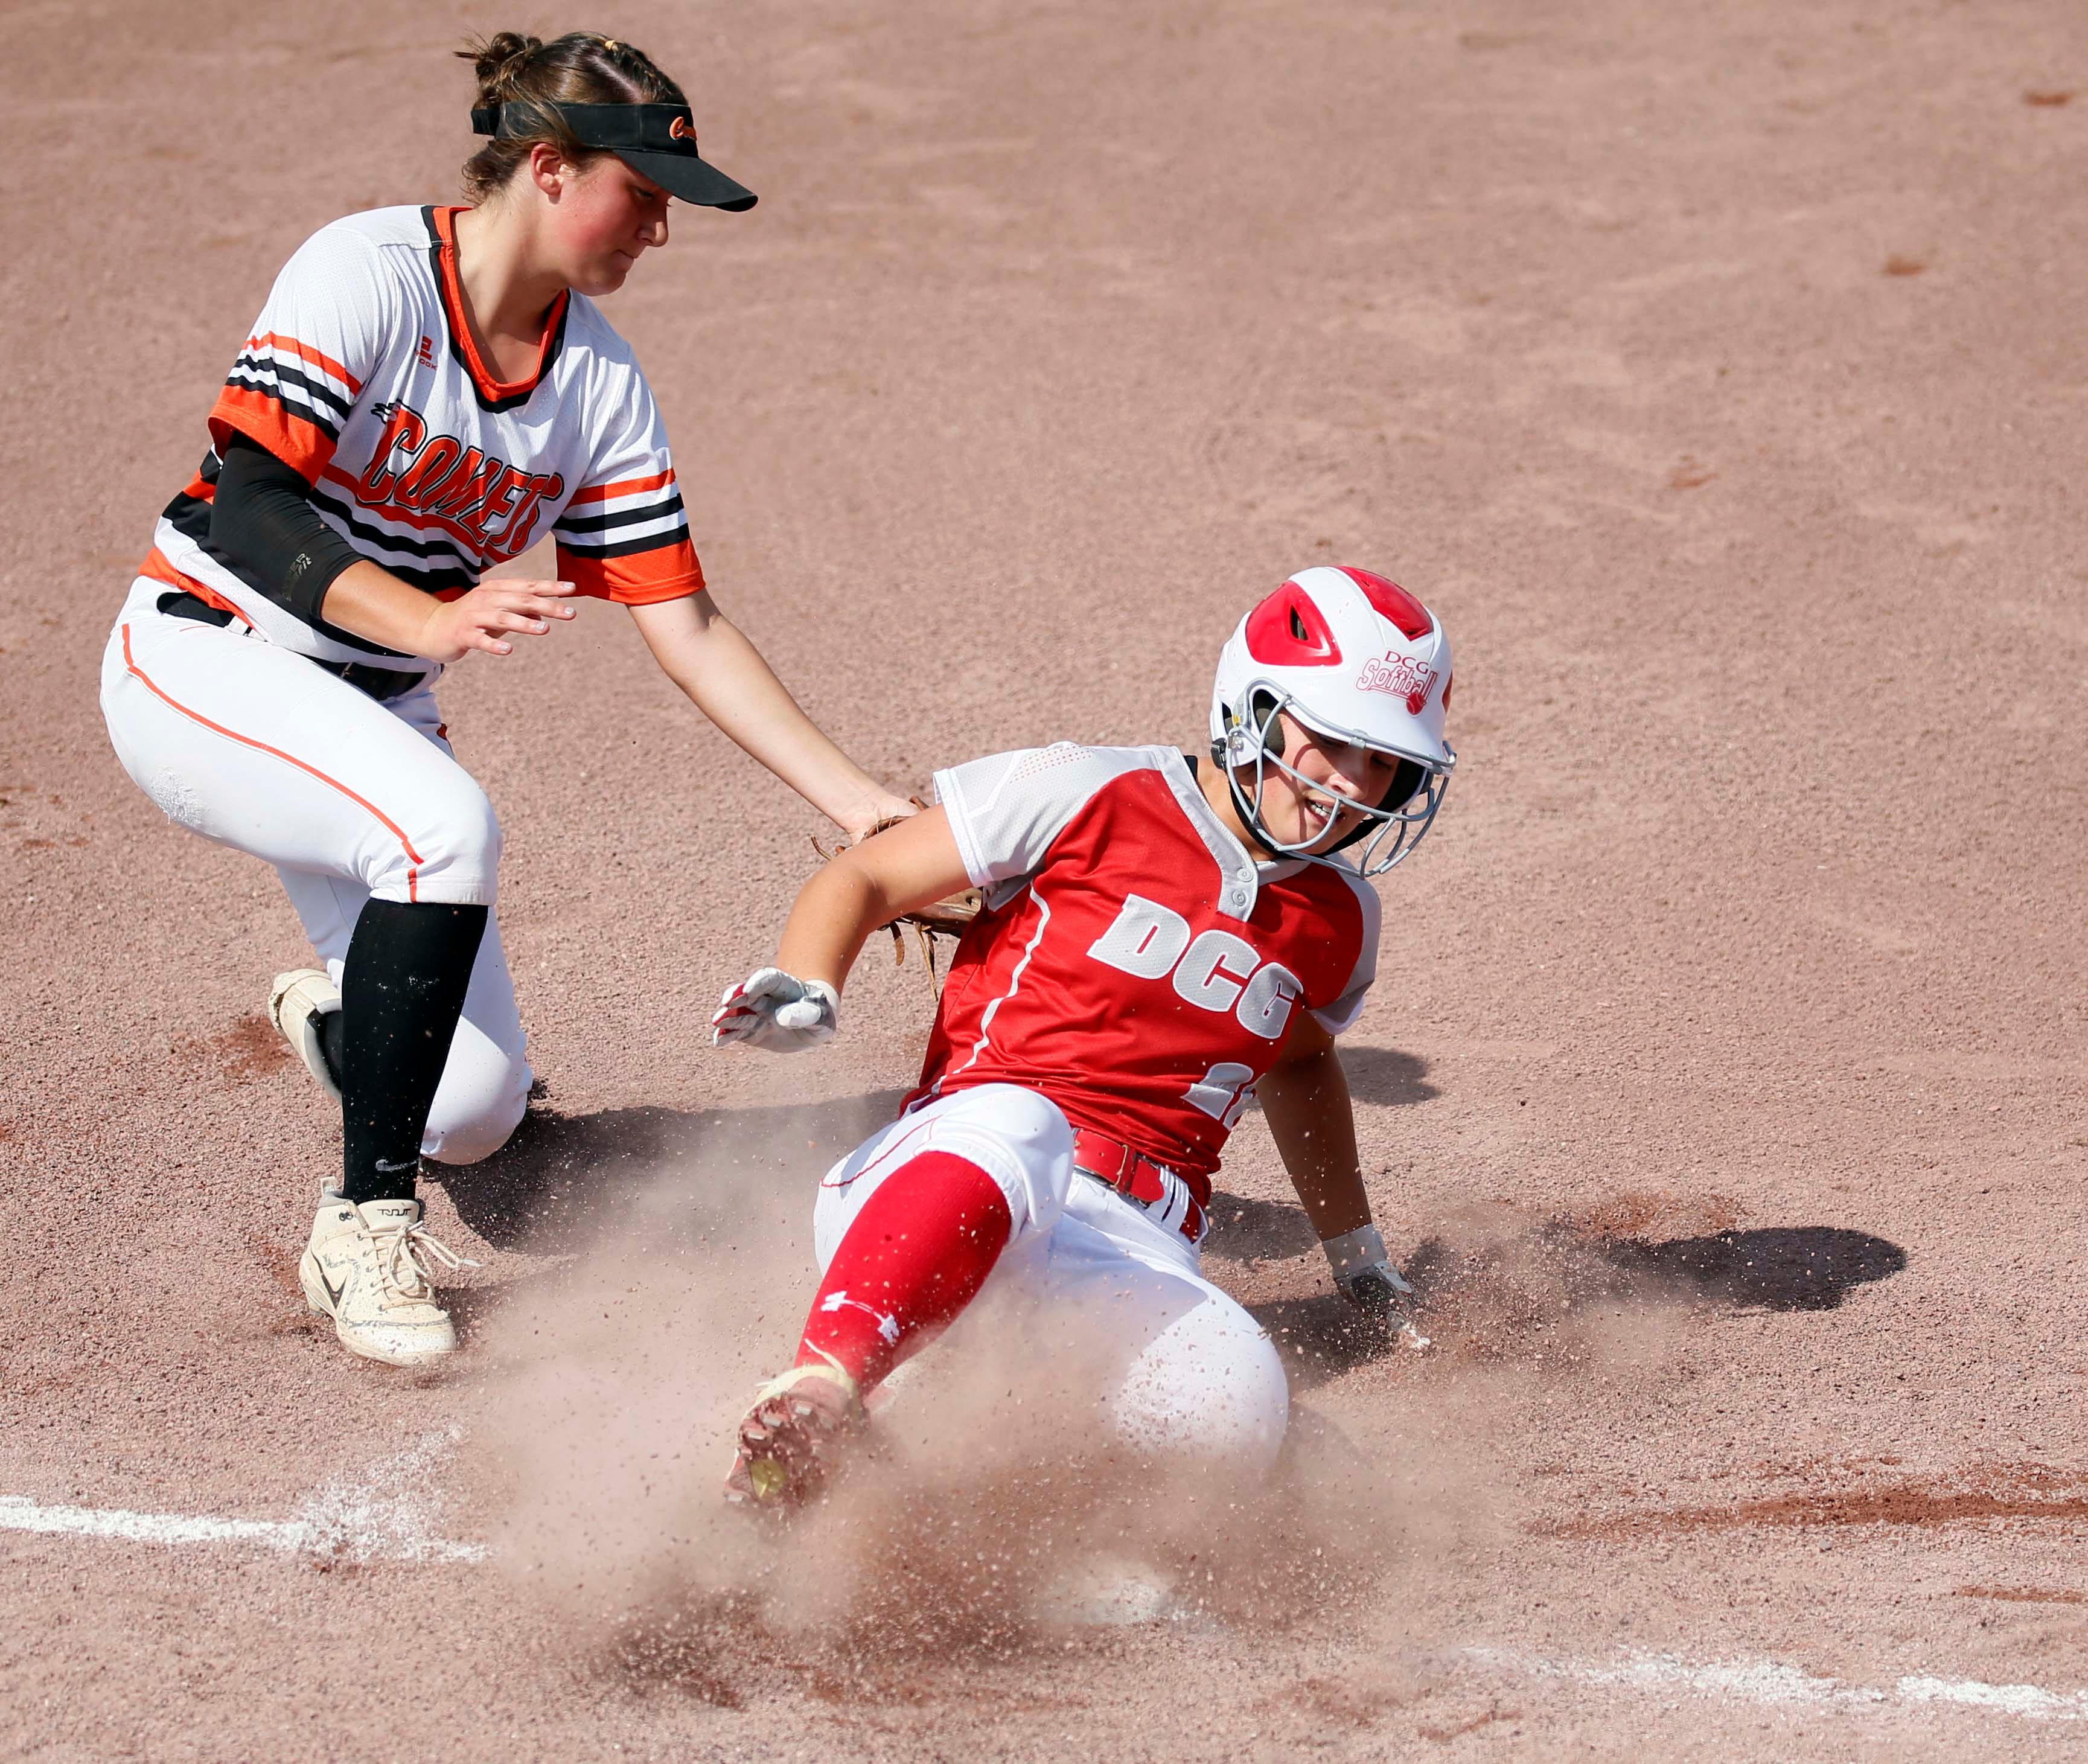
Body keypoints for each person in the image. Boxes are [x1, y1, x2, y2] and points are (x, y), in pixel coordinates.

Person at [98, 31, 915, 1369]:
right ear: (547, 167)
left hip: (362, 714)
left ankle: (342, 1018)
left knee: (473, 1111)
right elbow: (245, 504)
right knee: (446, 828)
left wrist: (859, 806)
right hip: (206, 657)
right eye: (640, 192)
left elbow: (688, 628)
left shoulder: (597, 380)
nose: (659, 227)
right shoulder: (365, 272)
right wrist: (425, 617)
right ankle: (363, 1223)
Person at [710, 564, 1455, 1507]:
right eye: (1334, 741)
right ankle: (821, 1386)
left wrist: (1358, 1257)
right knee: (1025, 1120)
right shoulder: (1091, 786)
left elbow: (1301, 1065)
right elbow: (862, 879)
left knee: (1243, 1399)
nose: (1352, 785)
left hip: (1133, 1245)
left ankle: (976, 1520)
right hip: (954, 1174)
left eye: (1385, 762)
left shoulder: (1343, 918)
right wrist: (811, 982)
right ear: (1254, 705)